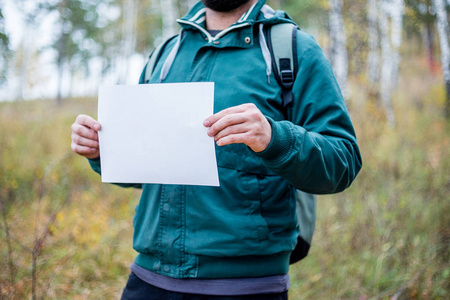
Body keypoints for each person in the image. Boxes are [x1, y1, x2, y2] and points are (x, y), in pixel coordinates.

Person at [71, 0, 362, 299]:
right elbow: (150, 164)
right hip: (149, 278)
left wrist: (274, 139)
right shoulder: (168, 53)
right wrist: (102, 152)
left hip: (246, 285)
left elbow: (343, 160)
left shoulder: (292, 48)